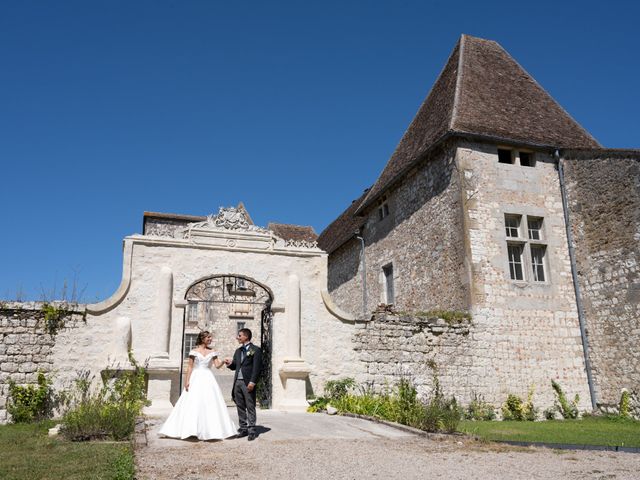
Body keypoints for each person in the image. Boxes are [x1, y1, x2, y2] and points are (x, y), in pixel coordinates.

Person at [159, 331, 237, 440]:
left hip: (208, 378)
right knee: (193, 402)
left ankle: (210, 430)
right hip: (196, 377)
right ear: (202, 338)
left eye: (211, 337)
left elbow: (217, 366)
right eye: (208, 337)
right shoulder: (194, 351)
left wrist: (223, 361)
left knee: (209, 402)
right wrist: (186, 381)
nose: (210, 339)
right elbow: (190, 367)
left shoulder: (212, 351)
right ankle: (191, 429)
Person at [224, 328, 262, 441]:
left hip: (248, 382)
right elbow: (235, 365)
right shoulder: (238, 351)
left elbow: (257, 368)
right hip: (237, 382)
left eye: (239, 335)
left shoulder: (256, 350)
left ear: (246, 336)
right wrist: (230, 363)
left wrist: (252, 382)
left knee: (250, 406)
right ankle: (243, 428)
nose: (237, 337)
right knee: (240, 406)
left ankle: (252, 430)